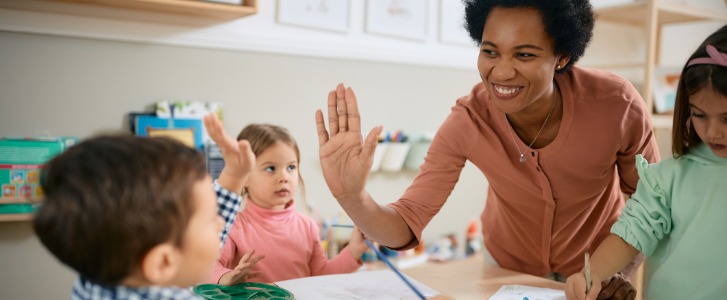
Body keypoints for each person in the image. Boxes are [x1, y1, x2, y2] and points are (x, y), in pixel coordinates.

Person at [314, 1, 660, 299]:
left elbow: (650, 205)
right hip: (506, 271)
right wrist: (352, 196)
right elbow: (405, 225)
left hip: (593, 271)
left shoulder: (616, 105)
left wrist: (618, 271)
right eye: (490, 51)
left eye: (524, 54)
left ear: (562, 57)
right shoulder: (469, 119)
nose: (502, 72)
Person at [564, 25, 727, 300]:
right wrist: (589, 276)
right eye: (699, 115)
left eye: (726, 118)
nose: (713, 132)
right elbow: (629, 237)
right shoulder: (668, 178)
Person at [33, 112, 256, 299]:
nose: (220, 223)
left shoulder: (101, 273)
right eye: (210, 219)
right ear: (163, 263)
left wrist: (234, 176)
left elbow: (191, 243)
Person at [208, 123, 368, 284]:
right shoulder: (232, 225)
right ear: (245, 176)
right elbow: (210, 266)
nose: (284, 177)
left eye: (291, 167)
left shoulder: (308, 226)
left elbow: (321, 276)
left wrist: (353, 251)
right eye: (270, 168)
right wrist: (225, 277)